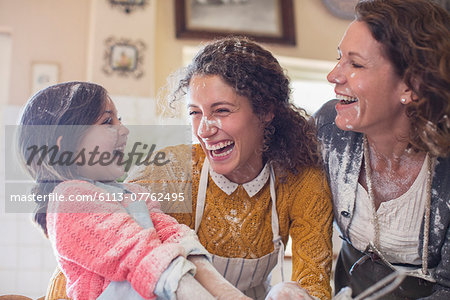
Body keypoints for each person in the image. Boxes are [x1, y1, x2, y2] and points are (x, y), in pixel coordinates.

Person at [127, 37, 333, 300]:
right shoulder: (168, 172)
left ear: (266, 110)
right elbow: (101, 246)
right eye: (195, 113)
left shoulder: (301, 181)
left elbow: (314, 284)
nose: (204, 129)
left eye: (221, 110)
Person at [17, 81, 249, 300]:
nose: (125, 130)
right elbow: (141, 257)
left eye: (120, 120)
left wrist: (229, 294)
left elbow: (175, 237)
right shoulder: (69, 199)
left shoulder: (130, 193)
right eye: (108, 122)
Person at [313, 0, 450, 298]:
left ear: (411, 85)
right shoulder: (327, 127)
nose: (333, 76)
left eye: (356, 64)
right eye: (339, 58)